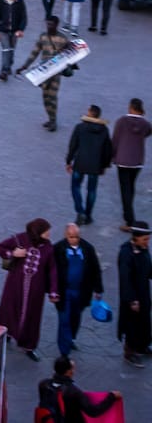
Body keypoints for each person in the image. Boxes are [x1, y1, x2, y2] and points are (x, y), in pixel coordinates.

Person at [0, 218, 59, 361]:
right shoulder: (21, 239)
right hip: (15, 286)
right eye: (46, 232)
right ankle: (6, 334)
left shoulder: (48, 248)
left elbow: (53, 270)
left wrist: (54, 291)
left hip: (35, 292)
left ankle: (29, 346)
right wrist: (14, 253)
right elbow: (0, 247)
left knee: (32, 318)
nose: (48, 234)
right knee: (10, 310)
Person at [50, 222, 103, 360]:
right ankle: (64, 351)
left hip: (81, 292)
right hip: (64, 292)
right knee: (64, 319)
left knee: (75, 317)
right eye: (71, 237)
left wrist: (98, 289)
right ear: (65, 235)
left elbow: (95, 269)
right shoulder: (58, 248)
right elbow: (51, 271)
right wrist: (52, 291)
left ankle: (71, 338)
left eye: (76, 237)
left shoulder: (88, 249)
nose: (74, 239)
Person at [67, 106, 115, 226]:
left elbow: (73, 146)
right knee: (92, 190)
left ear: (90, 114)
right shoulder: (104, 130)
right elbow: (107, 150)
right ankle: (88, 215)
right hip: (95, 165)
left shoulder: (80, 127)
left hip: (80, 163)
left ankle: (80, 212)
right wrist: (104, 166)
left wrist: (68, 161)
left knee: (75, 187)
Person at [36, 356, 120, 423]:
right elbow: (93, 411)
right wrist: (111, 397)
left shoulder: (43, 384)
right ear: (69, 372)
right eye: (73, 368)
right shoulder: (73, 392)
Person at [118, 221, 151, 367]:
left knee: (144, 322)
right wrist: (132, 300)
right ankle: (129, 352)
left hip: (143, 293)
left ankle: (142, 346)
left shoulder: (143, 249)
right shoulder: (126, 253)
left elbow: (148, 268)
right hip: (132, 297)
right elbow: (125, 278)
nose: (147, 242)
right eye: (144, 239)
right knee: (131, 324)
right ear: (135, 238)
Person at [116, 98, 150, 229]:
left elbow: (115, 140)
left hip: (123, 160)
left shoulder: (122, 121)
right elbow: (147, 133)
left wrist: (113, 157)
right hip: (137, 161)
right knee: (131, 187)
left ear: (130, 107)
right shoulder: (145, 124)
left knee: (125, 189)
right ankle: (129, 212)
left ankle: (129, 221)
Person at [0, 0, 30, 81]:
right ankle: (4, 71)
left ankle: (9, 65)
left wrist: (21, 29)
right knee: (6, 49)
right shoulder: (0, 2)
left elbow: (24, 17)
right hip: (3, 30)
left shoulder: (20, 2)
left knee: (11, 49)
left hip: (15, 30)